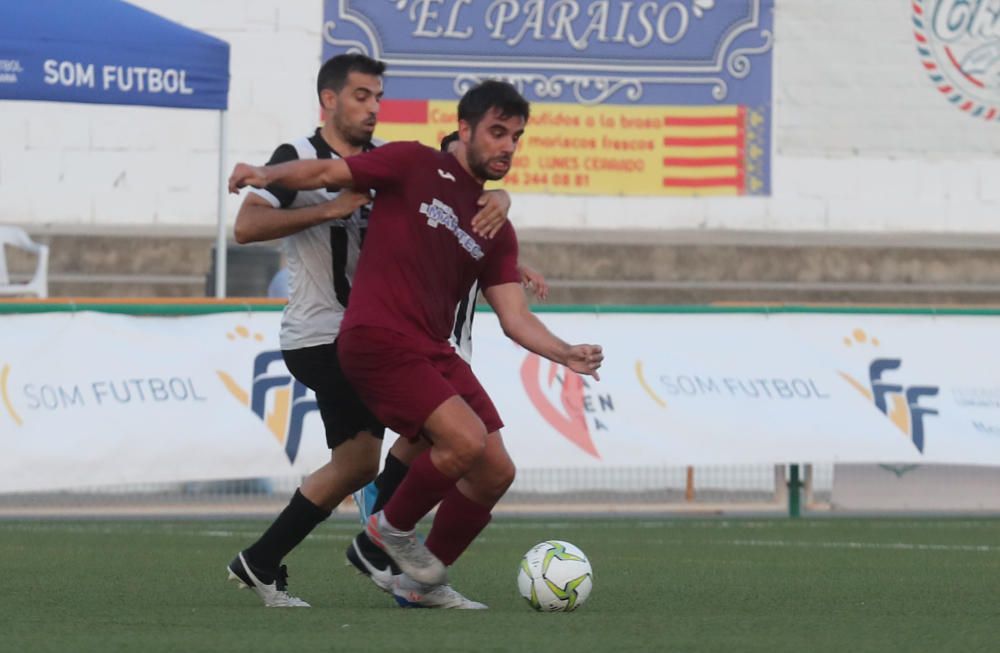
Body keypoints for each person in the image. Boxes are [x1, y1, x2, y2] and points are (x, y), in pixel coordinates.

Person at [229, 80, 603, 608]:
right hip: (376, 338)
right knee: (460, 440)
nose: (507, 147)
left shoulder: (496, 225)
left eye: (516, 137)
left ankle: (419, 583)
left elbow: (514, 317)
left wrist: (564, 352)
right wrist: (266, 174)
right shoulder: (413, 164)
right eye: (497, 132)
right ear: (465, 128)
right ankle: (380, 536)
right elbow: (326, 171)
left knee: (496, 470)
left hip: (433, 350)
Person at [349, 131, 548, 519]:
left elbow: (486, 260)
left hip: (453, 345)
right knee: (440, 436)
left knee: (432, 437)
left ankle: (382, 508)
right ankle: (383, 512)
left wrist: (516, 264)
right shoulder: (424, 207)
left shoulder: (481, 219)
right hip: (426, 341)